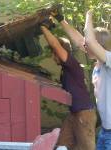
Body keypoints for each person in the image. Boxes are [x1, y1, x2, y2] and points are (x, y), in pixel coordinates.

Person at [51, 7, 111, 150]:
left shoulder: (109, 60)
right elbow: (80, 40)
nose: (84, 45)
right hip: (105, 131)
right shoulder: (100, 61)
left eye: (88, 44)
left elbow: (89, 42)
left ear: (98, 46)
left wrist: (89, 15)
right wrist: (61, 19)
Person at [41, 20, 97, 150]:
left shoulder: (71, 63)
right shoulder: (65, 69)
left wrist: (42, 27)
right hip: (74, 114)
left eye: (53, 53)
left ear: (59, 52)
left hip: (84, 114)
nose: (52, 56)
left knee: (86, 148)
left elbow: (55, 44)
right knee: (62, 144)